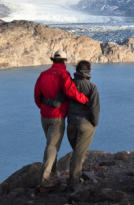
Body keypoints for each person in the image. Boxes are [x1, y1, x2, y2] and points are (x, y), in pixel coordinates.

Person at [34, 50, 89, 193]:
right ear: (64, 61)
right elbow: (70, 92)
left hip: (44, 116)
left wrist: (44, 107)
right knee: (52, 148)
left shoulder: (43, 74)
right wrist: (85, 100)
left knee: (50, 146)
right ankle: (45, 182)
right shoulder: (63, 74)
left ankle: (52, 176)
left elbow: (37, 95)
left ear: (53, 60)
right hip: (57, 117)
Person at [42, 60, 100, 191]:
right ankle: (74, 184)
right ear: (88, 71)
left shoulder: (68, 85)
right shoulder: (92, 87)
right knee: (78, 155)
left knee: (76, 152)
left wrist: (43, 99)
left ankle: (74, 177)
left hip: (71, 125)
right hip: (86, 125)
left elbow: (56, 103)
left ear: (77, 70)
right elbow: (95, 109)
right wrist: (94, 124)